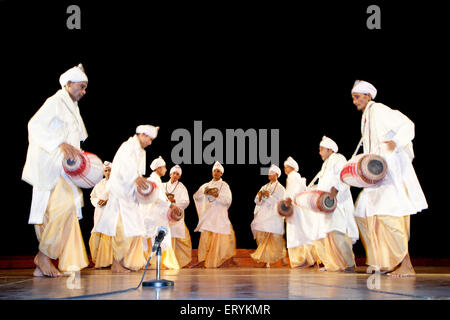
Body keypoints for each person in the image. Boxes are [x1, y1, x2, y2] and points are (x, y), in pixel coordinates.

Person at [350, 80, 428, 277]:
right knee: (365, 215)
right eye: (353, 98)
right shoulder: (367, 117)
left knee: (389, 217)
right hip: (377, 177)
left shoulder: (378, 110)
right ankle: (386, 261)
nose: (355, 101)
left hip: (389, 174)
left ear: (368, 96)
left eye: (357, 97)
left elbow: (408, 124)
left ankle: (406, 264)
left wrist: (395, 143)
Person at [22, 64, 90, 277]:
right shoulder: (55, 102)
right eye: (81, 86)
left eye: (85, 87)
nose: (84, 92)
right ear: (68, 84)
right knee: (63, 207)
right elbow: (34, 125)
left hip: (64, 169)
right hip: (51, 166)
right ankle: (44, 256)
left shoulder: (71, 107)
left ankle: (43, 260)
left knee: (56, 212)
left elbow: (73, 139)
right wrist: (59, 144)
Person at [94, 125, 159, 273]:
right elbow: (122, 167)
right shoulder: (127, 146)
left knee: (131, 231)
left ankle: (122, 262)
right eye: (150, 139)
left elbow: (136, 174)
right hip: (120, 196)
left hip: (130, 197)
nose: (150, 143)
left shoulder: (139, 151)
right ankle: (116, 263)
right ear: (142, 134)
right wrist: (135, 178)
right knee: (121, 230)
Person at [310, 136, 359, 272]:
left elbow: (344, 176)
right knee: (327, 234)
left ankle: (348, 264)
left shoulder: (338, 158)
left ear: (330, 149)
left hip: (338, 202)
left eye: (321, 149)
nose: (319, 152)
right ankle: (333, 264)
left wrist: (336, 190)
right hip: (326, 205)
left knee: (338, 233)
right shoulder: (325, 164)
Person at [193, 161, 236, 268]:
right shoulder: (206, 185)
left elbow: (228, 201)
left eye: (218, 171)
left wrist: (217, 196)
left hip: (219, 215)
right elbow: (196, 196)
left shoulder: (224, 185)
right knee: (205, 239)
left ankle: (220, 261)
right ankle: (203, 260)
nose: (216, 173)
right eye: (214, 171)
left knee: (222, 238)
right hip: (208, 216)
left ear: (221, 174)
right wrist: (204, 192)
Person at [141, 157, 182, 270]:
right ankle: (157, 262)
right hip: (154, 215)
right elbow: (156, 198)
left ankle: (158, 262)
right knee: (158, 237)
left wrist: (169, 205)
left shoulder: (156, 180)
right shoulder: (153, 181)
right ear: (158, 168)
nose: (165, 170)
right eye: (164, 167)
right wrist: (170, 205)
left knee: (160, 237)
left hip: (158, 214)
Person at [283, 156, 321, 268]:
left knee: (297, 232)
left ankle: (301, 260)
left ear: (292, 167)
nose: (285, 169)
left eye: (287, 167)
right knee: (301, 231)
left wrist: (288, 200)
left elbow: (293, 191)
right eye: (284, 167)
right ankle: (307, 258)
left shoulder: (293, 176)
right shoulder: (293, 176)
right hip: (296, 208)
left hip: (295, 208)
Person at [250, 164, 288, 268]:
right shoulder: (264, 186)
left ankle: (282, 257)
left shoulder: (281, 188)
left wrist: (269, 196)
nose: (269, 175)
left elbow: (281, 202)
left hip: (274, 215)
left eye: (271, 173)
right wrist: (260, 197)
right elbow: (256, 201)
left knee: (275, 238)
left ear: (276, 175)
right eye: (269, 173)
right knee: (262, 236)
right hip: (264, 215)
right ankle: (266, 260)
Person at [163, 165, 192, 268]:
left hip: (176, 217)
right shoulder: (163, 185)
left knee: (182, 239)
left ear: (179, 176)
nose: (175, 175)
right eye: (173, 173)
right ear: (170, 174)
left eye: (177, 174)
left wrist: (174, 203)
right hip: (164, 216)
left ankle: (182, 262)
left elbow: (186, 202)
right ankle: (165, 262)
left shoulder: (181, 187)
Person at [88, 161, 113, 268]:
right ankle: (98, 260)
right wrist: (98, 201)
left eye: (110, 170)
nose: (108, 172)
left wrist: (108, 201)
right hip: (99, 212)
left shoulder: (116, 183)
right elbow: (92, 196)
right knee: (97, 234)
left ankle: (109, 261)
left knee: (109, 235)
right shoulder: (99, 184)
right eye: (106, 171)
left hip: (111, 213)